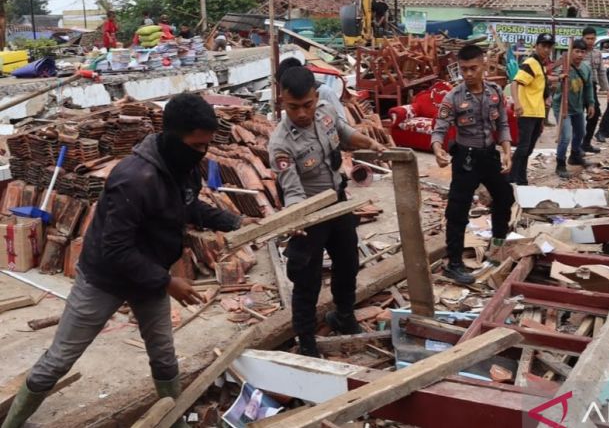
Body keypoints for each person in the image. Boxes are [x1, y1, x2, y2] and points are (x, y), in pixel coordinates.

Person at [2, 94, 252, 428]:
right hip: (103, 279)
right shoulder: (134, 178)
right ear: (172, 136)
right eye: (197, 145)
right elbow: (115, 249)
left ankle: (173, 417)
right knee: (60, 359)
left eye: (206, 145)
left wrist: (236, 222)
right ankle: (13, 423)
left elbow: (189, 207)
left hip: (149, 277)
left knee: (163, 355)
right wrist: (168, 282)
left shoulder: (186, 167)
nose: (203, 152)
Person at [268, 66, 385, 358]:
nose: (303, 113)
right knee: (306, 281)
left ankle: (343, 316)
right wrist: (294, 220)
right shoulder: (281, 144)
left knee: (348, 264)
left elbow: (343, 134)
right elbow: (292, 191)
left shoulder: (324, 111)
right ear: (282, 100)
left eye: (307, 104)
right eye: (293, 107)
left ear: (315, 96)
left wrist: (368, 142)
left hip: (337, 202)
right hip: (307, 216)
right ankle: (306, 340)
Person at [432, 44, 514, 285]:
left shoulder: (495, 92)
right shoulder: (453, 97)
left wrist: (507, 151)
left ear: (484, 65)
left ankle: (497, 247)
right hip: (465, 159)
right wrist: (437, 150)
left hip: (490, 156)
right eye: (464, 69)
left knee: (505, 198)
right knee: (457, 210)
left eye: (473, 68)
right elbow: (439, 129)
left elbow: (503, 125)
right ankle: (454, 264)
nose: (468, 74)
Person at [509, 33, 552, 185]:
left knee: (528, 149)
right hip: (527, 111)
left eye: (549, 47)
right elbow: (515, 83)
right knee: (523, 147)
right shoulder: (531, 63)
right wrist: (518, 103)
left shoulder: (541, 65)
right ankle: (510, 176)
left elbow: (541, 85)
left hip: (537, 112)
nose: (546, 50)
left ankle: (521, 178)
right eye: (543, 46)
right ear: (536, 46)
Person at [552, 38, 594, 178]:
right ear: (571, 52)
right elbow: (550, 79)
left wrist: (591, 103)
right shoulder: (562, 66)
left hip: (578, 107)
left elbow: (589, 87)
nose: (580, 55)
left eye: (583, 52)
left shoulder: (586, 68)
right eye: (577, 51)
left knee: (581, 132)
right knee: (566, 136)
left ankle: (575, 156)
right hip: (562, 107)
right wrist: (559, 78)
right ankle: (560, 163)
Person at [277, 58, 347, 122]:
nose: (301, 114)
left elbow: (342, 121)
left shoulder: (325, 92)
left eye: (308, 105)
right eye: (293, 107)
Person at [580, 27, 609, 154]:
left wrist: (607, 89)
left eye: (592, 38)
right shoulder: (578, 51)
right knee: (577, 116)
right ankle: (577, 145)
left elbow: (601, 72)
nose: (590, 41)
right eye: (588, 39)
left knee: (595, 114)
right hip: (578, 87)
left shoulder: (597, 53)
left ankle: (586, 143)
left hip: (591, 87)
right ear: (583, 38)